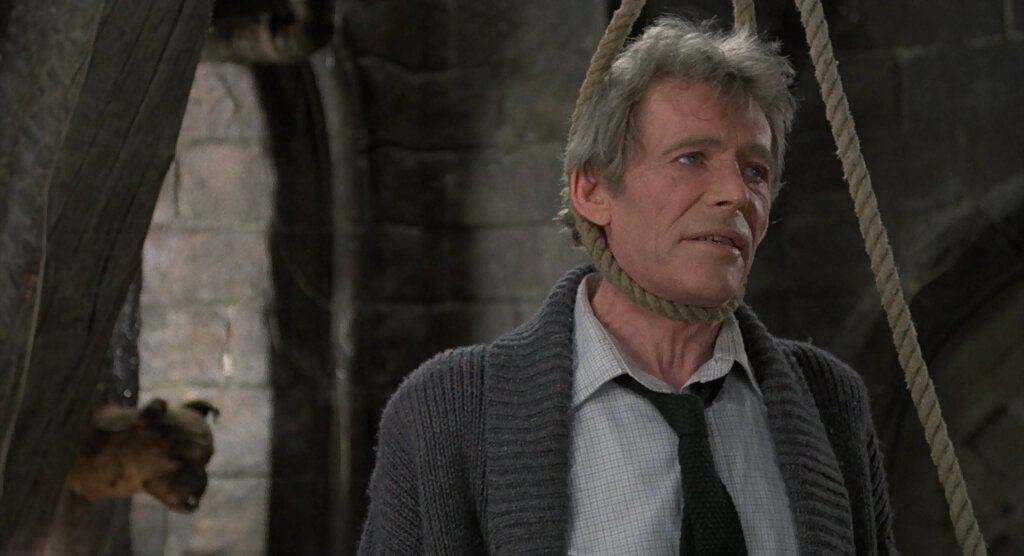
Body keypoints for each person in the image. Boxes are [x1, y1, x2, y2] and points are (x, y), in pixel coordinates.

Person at [358, 16, 897, 556]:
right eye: (692, 158)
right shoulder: (445, 416)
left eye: (755, 170)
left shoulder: (831, 403)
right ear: (592, 191)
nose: (736, 194)